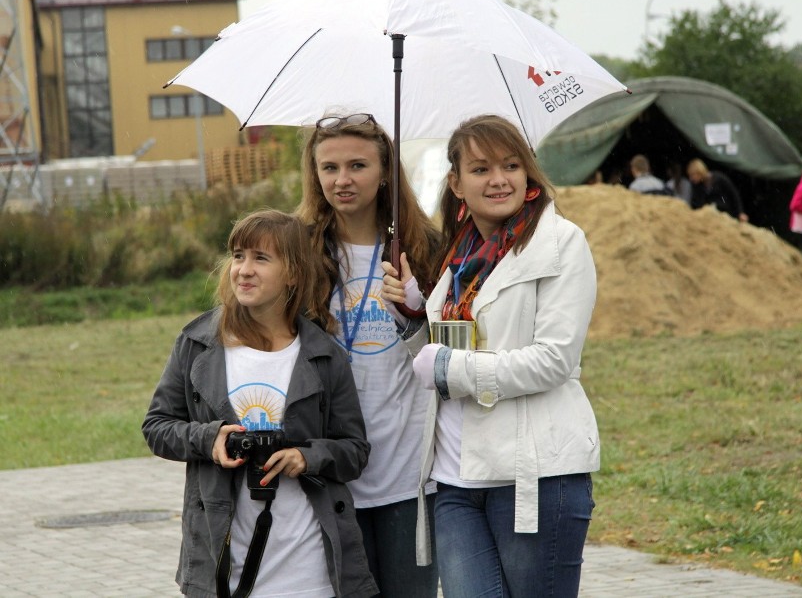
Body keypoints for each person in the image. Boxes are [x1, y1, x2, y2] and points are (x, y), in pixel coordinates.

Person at [382, 114, 600, 598]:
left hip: (534, 477)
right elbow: (445, 355)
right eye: (480, 169)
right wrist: (413, 316)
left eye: (511, 165)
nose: (498, 179)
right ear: (456, 183)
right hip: (455, 478)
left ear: (529, 175)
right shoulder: (458, 256)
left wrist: (447, 367)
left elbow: (553, 360)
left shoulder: (562, 244)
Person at [142, 209, 377, 598]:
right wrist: (209, 439)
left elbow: (354, 450)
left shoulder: (323, 355)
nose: (244, 270)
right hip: (222, 568)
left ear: (294, 273)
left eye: (261, 258)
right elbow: (156, 426)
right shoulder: (197, 344)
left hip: (309, 569)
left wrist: (307, 457)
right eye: (238, 256)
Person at [295, 112, 440, 597]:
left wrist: (415, 313)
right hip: (332, 470)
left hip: (409, 473)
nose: (342, 180)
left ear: (385, 172)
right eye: (329, 167)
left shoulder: (426, 247)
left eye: (358, 165)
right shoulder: (300, 251)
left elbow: (456, 348)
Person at [686, 158, 749, 222]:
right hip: (709, 219)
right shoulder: (697, 186)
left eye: (692, 175)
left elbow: (733, 194)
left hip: (726, 215)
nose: (691, 179)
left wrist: (740, 212)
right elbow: (696, 204)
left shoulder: (719, 178)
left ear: (699, 172)